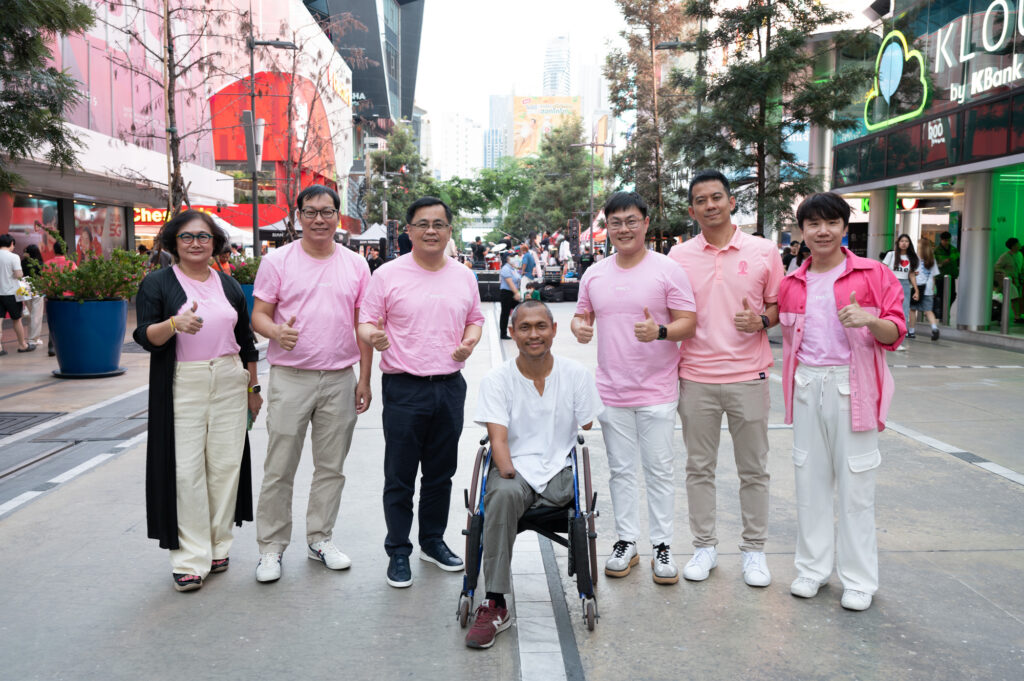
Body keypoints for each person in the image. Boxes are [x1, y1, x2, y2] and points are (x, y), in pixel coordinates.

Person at [779, 192, 906, 612]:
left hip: (853, 388)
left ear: (844, 228)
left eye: (831, 222)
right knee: (809, 483)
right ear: (802, 232)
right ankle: (812, 570)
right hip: (806, 386)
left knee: (856, 488)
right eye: (813, 224)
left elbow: (895, 333)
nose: (822, 231)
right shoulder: (792, 282)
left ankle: (858, 580)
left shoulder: (874, 274)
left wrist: (871, 320)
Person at [358, 196, 485, 588]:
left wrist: (470, 342)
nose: (432, 231)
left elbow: (475, 320)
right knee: (399, 475)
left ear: (449, 230)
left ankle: (432, 542)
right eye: (423, 224)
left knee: (440, 473)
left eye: (439, 224)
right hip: (404, 388)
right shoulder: (387, 275)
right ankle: (398, 551)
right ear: (408, 230)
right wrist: (373, 335)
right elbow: (364, 322)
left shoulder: (464, 275)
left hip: (449, 387)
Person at [667, 170, 785, 587]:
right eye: (701, 200)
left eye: (717, 197)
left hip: (749, 378)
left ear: (732, 202)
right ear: (692, 209)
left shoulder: (765, 250)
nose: (710, 205)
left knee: (753, 469)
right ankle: (704, 547)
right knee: (699, 467)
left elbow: (778, 307)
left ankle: (754, 551)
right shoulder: (678, 258)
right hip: (695, 377)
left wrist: (761, 320)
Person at [573, 191, 697, 584]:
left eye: (631, 221)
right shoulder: (594, 274)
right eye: (615, 222)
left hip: (657, 390)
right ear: (606, 227)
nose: (623, 228)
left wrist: (659, 331)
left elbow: (688, 323)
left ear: (646, 223)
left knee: (659, 470)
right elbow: (581, 317)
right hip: (611, 390)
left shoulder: (667, 270)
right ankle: (627, 541)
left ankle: (663, 545)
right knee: (621, 471)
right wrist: (580, 328)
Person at [133, 210, 261, 592]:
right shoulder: (157, 284)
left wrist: (253, 390)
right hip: (182, 383)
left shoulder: (230, 286)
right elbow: (144, 336)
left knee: (225, 467)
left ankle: (218, 545)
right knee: (186, 472)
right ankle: (190, 559)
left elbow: (247, 342)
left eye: (203, 237)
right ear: (173, 243)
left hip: (228, 379)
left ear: (214, 243)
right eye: (187, 237)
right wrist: (174, 324)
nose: (195, 243)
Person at [251, 185, 372, 583]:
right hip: (291, 377)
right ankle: (270, 548)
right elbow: (260, 315)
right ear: (297, 216)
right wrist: (275, 333)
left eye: (327, 211)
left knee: (331, 467)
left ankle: (320, 538)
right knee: (279, 466)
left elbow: (364, 326)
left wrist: (365, 380)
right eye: (310, 212)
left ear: (339, 216)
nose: (319, 219)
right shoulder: (278, 261)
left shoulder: (356, 265)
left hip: (340, 378)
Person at [467, 300, 602, 649]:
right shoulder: (498, 380)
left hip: (558, 467)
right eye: (524, 327)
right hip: (515, 468)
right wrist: (510, 478)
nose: (533, 334)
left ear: (554, 330)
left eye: (541, 326)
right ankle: (495, 601)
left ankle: (583, 585)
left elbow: (586, 422)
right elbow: (498, 439)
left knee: (562, 489)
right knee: (502, 496)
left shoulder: (575, 375)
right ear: (512, 333)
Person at [0, 234, 35, 355]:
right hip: (11, 293)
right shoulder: (13, 257)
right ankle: (22, 345)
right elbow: (19, 275)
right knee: (16, 320)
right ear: (11, 244)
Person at [882, 234, 919, 343]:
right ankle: (886, 336)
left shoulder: (912, 257)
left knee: (904, 312)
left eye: (906, 241)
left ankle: (900, 341)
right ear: (898, 243)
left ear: (909, 244)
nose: (904, 243)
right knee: (888, 311)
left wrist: (916, 290)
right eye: (901, 241)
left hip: (905, 286)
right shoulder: (891, 255)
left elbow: (912, 275)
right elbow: (883, 269)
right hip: (890, 285)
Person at [912, 239, 941, 340]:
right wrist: (933, 288)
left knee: (912, 309)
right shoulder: (932, 259)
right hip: (928, 288)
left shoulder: (914, 259)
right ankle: (934, 328)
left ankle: (911, 331)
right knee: (928, 311)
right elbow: (933, 277)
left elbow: (912, 273)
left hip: (917, 288)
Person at [19, 244, 45, 347]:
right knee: (36, 315)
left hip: (25, 286)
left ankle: (31, 337)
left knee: (30, 314)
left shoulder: (23, 262)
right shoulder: (40, 263)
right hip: (36, 286)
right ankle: (33, 339)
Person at [994, 238, 1024, 322]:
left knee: (1016, 298)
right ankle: (1016, 317)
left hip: (1018, 280)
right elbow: (996, 267)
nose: (1020, 244)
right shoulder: (1005, 256)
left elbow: (1021, 267)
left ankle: (1017, 316)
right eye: (1018, 243)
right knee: (1015, 298)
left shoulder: (1020, 255)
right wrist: (1005, 273)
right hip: (1009, 281)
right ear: (1013, 246)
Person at [933, 231, 959, 314]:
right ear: (941, 240)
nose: (946, 242)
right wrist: (942, 263)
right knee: (940, 295)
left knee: (952, 295)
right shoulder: (936, 251)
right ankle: (941, 313)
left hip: (951, 276)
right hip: (940, 277)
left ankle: (946, 311)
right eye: (945, 240)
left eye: (948, 240)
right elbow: (933, 264)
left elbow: (958, 260)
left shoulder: (953, 249)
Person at [498, 251, 522, 340]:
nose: (513, 258)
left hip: (513, 292)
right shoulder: (505, 269)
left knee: (518, 311)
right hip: (507, 293)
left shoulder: (512, 268)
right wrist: (516, 293)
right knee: (505, 313)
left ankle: (517, 331)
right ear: (507, 259)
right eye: (511, 256)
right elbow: (510, 282)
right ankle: (503, 333)